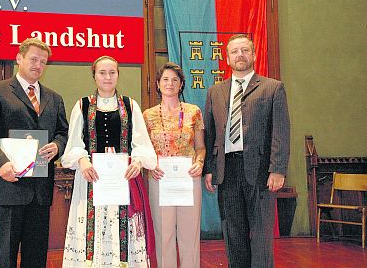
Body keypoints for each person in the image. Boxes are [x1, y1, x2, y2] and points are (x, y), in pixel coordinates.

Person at [0, 38, 69, 267]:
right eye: (34, 59)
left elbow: (63, 133)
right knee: (6, 256)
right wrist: (1, 165)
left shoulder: (54, 98)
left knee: (36, 257)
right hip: (8, 187)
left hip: (40, 192)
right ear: (19, 59)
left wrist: (57, 146)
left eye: (43, 62)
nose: (38, 65)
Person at [61, 56, 157, 268]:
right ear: (94, 76)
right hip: (90, 180)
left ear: (118, 75)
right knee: (91, 231)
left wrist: (138, 162)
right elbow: (74, 143)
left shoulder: (131, 105)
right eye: (102, 73)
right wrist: (82, 160)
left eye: (112, 72)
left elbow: (142, 143)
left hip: (122, 181)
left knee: (121, 233)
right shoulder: (82, 105)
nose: (107, 77)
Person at [203, 34, 290, 268]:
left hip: (261, 171)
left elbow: (280, 131)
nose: (240, 55)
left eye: (244, 50)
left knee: (261, 234)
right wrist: (209, 170)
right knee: (233, 233)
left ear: (253, 55)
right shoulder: (215, 92)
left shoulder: (273, 88)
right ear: (227, 58)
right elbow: (210, 134)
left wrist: (278, 170)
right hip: (227, 170)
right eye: (234, 51)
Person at [143, 62, 206, 268]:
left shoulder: (193, 112)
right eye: (165, 79)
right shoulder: (147, 115)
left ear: (181, 85)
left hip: (189, 179)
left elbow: (200, 147)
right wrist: (150, 165)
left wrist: (199, 162)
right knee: (164, 236)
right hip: (159, 179)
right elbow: (143, 150)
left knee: (190, 236)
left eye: (175, 80)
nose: (170, 83)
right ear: (158, 84)